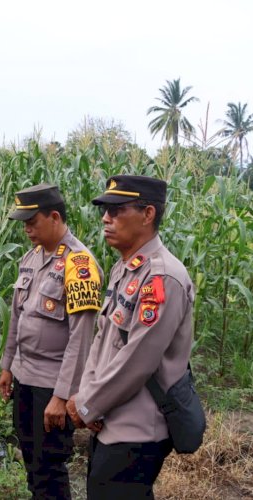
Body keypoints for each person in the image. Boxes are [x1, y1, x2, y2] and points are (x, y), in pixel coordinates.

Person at [67, 175, 194, 499]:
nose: (105, 219)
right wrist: (90, 399)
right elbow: (102, 339)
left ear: (148, 214)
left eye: (116, 210)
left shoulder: (162, 277)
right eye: (104, 211)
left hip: (138, 429)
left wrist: (87, 405)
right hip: (110, 418)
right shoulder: (125, 269)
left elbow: (137, 360)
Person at [0, 184, 103, 499]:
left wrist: (62, 395)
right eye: (24, 224)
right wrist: (7, 367)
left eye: (33, 222)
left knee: (50, 468)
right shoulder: (31, 258)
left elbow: (81, 337)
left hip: (51, 384)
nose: (27, 229)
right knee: (31, 463)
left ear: (54, 216)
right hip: (24, 379)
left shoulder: (80, 265)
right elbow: (17, 318)